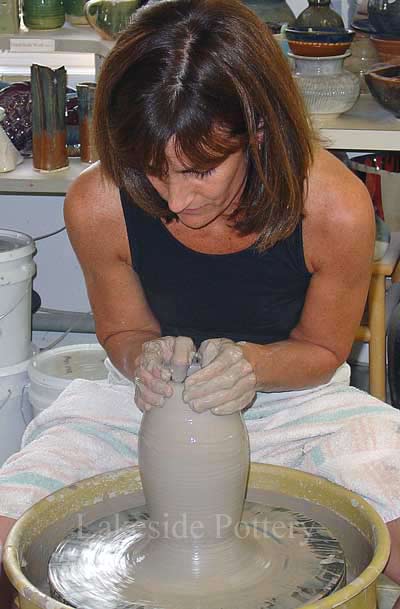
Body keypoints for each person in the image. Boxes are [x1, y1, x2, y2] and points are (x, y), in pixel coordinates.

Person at [1, 0, 400, 605]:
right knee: (9, 532)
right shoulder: (97, 203)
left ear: (257, 132)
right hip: (136, 400)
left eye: (198, 171)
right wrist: (145, 360)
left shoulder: (333, 206)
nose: (174, 200)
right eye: (150, 170)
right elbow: (122, 332)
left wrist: (253, 365)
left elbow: (322, 351)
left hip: (296, 401)